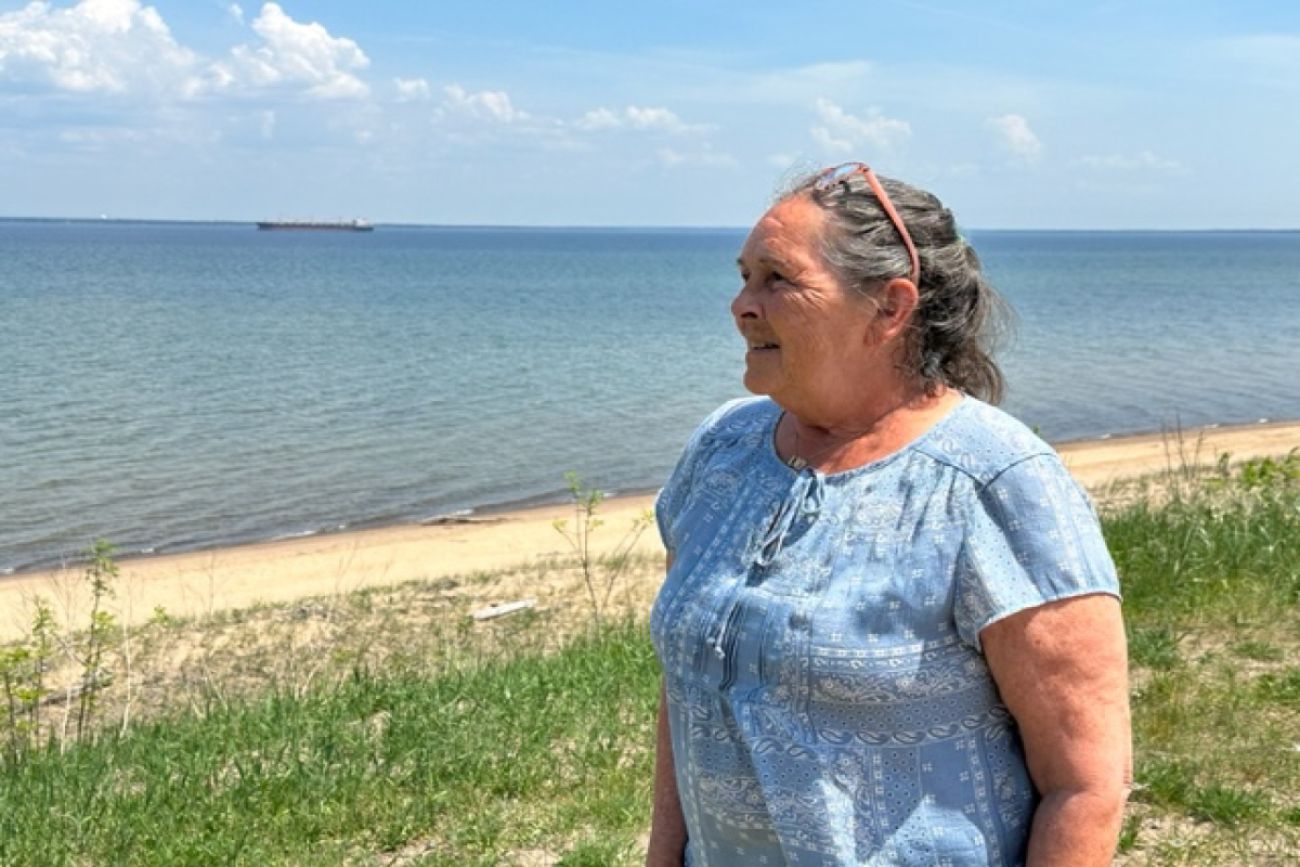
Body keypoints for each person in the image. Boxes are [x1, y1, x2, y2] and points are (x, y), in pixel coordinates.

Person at [646, 163, 1131, 867]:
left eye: (777, 278)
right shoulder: (722, 451)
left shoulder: (994, 482)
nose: (741, 304)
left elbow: (1086, 785)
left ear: (890, 306)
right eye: (744, 275)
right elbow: (688, 692)